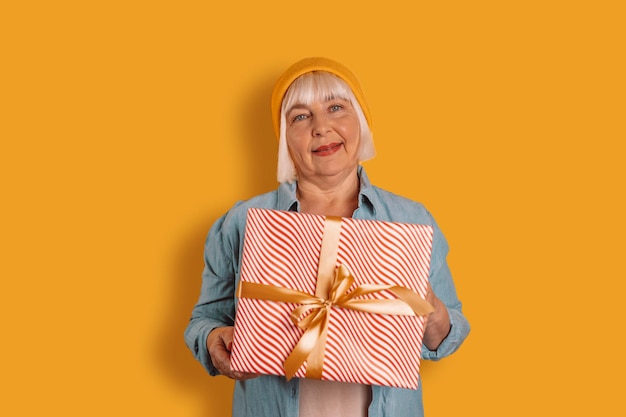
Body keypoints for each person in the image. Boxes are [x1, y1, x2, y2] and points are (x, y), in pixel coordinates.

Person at [184, 57, 470, 417]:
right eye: (300, 116)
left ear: (361, 122)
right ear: (285, 137)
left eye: (336, 107)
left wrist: (433, 316)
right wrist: (214, 340)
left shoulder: (412, 220)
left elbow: (449, 332)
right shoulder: (241, 222)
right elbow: (205, 319)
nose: (321, 127)